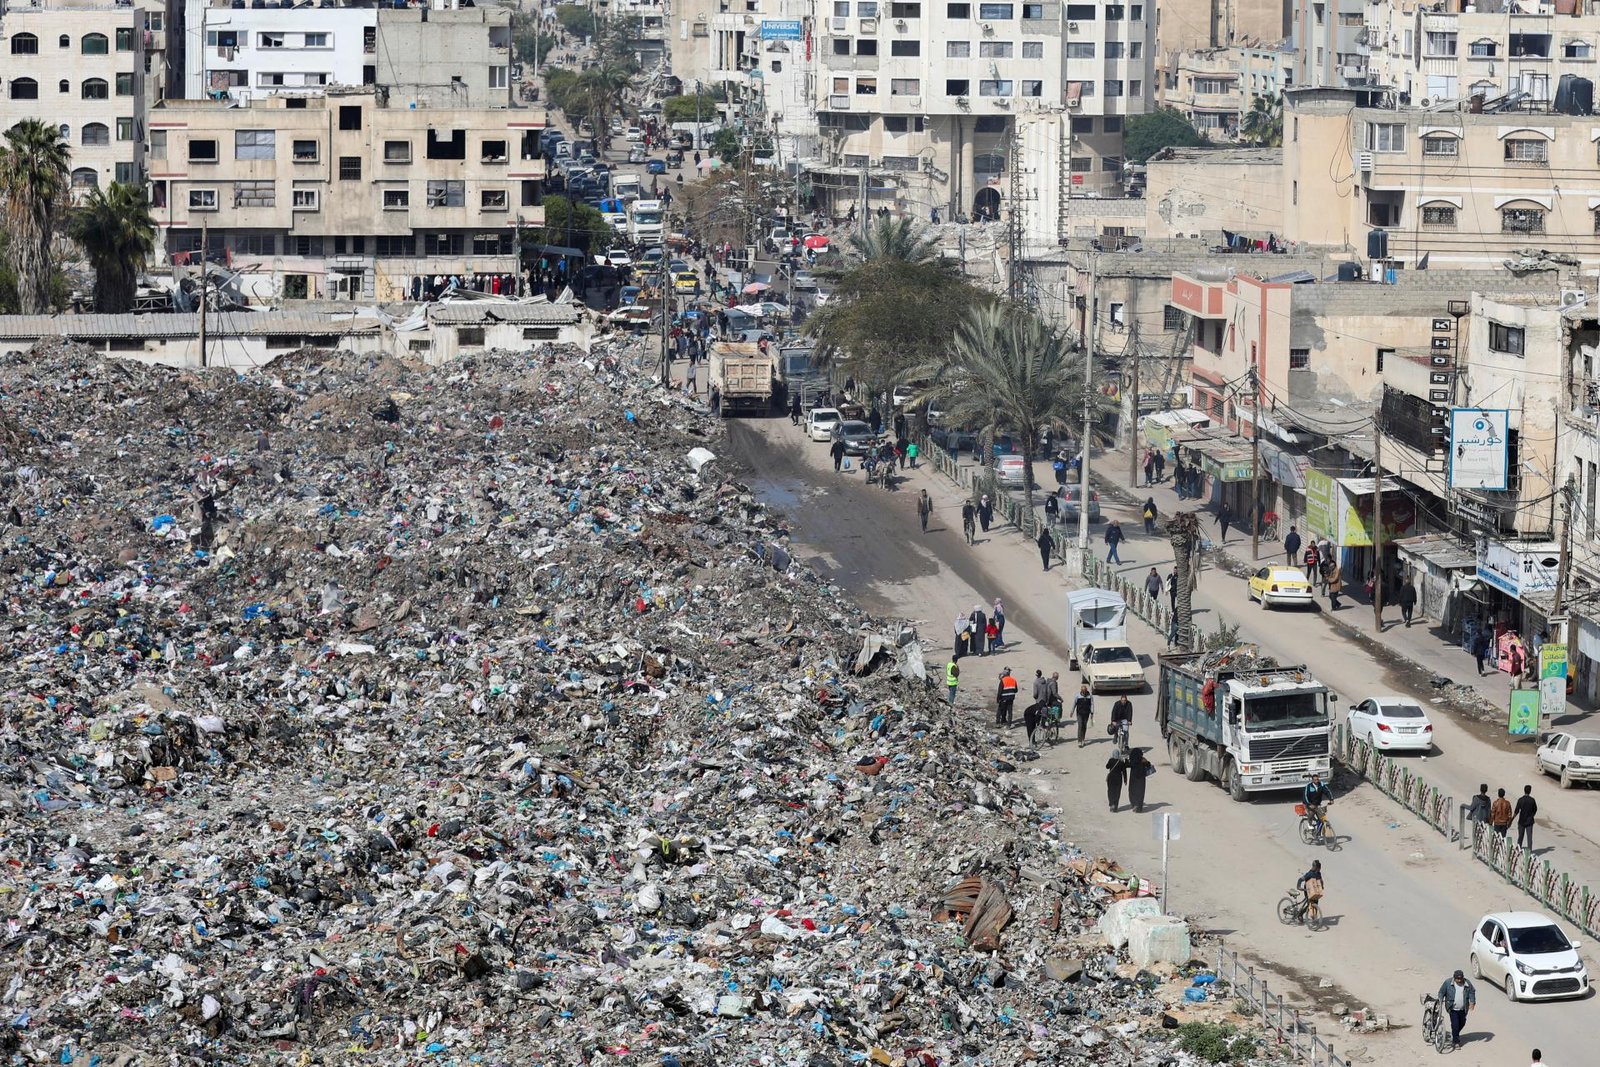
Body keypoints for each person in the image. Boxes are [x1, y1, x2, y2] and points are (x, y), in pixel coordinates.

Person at [1437, 969, 1475, 1050]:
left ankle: (1455, 1034)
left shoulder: (1467, 983)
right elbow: (1441, 992)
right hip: (1452, 1008)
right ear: (1454, 978)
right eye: (1457, 979)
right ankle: (1456, 1042)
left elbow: (1472, 991)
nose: (1459, 980)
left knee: (1462, 1023)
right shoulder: (1448, 983)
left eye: (1460, 979)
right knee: (1455, 1024)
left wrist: (1472, 1002)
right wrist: (1440, 1000)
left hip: (1463, 1009)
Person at [1303, 773, 1331, 838]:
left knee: (1322, 819)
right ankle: (1309, 824)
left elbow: (1327, 792)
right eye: (1315, 780)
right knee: (1311, 814)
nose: (1316, 781)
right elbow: (1305, 796)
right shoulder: (1308, 786)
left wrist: (1331, 799)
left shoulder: (1321, 785)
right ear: (1312, 780)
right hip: (1309, 805)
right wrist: (1309, 804)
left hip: (1318, 805)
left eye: (1317, 779)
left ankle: (1319, 834)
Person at [1127, 747, 1152, 813]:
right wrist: (1146, 762)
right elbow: (1149, 765)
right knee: (1140, 792)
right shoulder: (1143, 760)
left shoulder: (1132, 760)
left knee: (1132, 791)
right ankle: (1139, 807)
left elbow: (1127, 765)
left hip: (1133, 779)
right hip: (1141, 779)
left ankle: (1134, 804)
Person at [1515, 784, 1538, 850]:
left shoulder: (1520, 800)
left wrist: (1512, 818)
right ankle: (1529, 851)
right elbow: (1535, 809)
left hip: (1521, 821)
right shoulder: (1532, 800)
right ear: (1530, 791)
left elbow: (1517, 810)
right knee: (1529, 837)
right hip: (1529, 821)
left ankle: (1518, 849)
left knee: (1520, 836)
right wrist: (1532, 816)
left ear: (1524, 790)